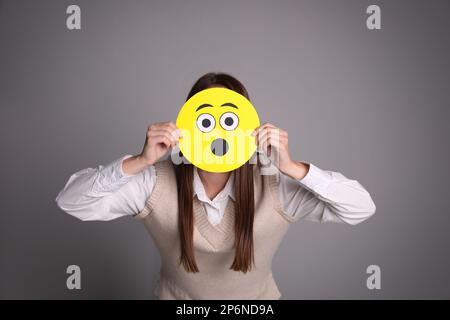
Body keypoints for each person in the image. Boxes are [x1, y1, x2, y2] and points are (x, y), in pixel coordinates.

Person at [55, 72, 376, 299]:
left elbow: (361, 208)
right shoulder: (154, 182)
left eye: (229, 122)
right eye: (205, 122)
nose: (217, 135)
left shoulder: (274, 185)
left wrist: (293, 168)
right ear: (187, 127)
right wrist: (139, 161)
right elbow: (71, 201)